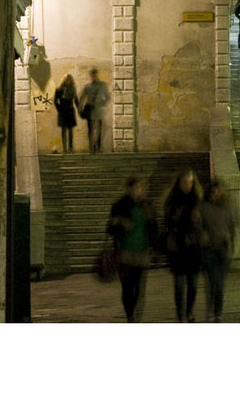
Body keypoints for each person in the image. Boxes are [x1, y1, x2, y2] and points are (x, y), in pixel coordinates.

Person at [107, 177, 158, 322]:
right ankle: (130, 316)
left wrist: (155, 248)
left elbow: (154, 228)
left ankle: (134, 314)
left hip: (142, 252)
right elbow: (110, 228)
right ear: (128, 189)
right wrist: (120, 221)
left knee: (138, 288)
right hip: (125, 253)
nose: (137, 191)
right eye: (135, 188)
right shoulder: (120, 206)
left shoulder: (147, 206)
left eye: (139, 188)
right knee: (127, 287)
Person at [163, 169, 204, 322]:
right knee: (179, 283)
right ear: (179, 183)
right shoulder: (173, 201)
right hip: (178, 247)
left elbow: (202, 223)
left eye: (190, 182)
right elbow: (167, 222)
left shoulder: (198, 200)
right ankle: (180, 313)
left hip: (193, 247)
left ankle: (189, 311)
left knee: (193, 284)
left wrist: (198, 221)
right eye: (185, 182)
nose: (188, 185)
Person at [198, 179, 239, 322]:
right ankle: (211, 311)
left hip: (223, 248)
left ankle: (218, 312)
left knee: (219, 283)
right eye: (213, 191)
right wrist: (202, 234)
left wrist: (232, 241)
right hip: (209, 249)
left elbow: (233, 224)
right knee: (211, 282)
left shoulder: (227, 206)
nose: (215, 193)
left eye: (217, 191)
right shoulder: (203, 207)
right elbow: (197, 225)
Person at [79, 67, 111, 153]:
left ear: (96, 74)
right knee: (91, 129)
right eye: (92, 74)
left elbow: (108, 97)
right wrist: (80, 107)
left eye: (94, 74)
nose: (93, 76)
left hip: (98, 109)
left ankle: (97, 147)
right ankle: (92, 147)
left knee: (98, 129)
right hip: (90, 109)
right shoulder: (87, 86)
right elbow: (82, 97)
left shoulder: (102, 85)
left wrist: (102, 104)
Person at [53, 73, 79, 153]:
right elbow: (55, 101)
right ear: (64, 80)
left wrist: (79, 108)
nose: (68, 81)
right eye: (67, 79)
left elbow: (76, 100)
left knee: (70, 130)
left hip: (70, 110)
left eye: (70, 80)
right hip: (63, 111)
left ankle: (70, 148)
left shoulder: (72, 89)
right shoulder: (59, 89)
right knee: (64, 130)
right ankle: (65, 148)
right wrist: (59, 109)